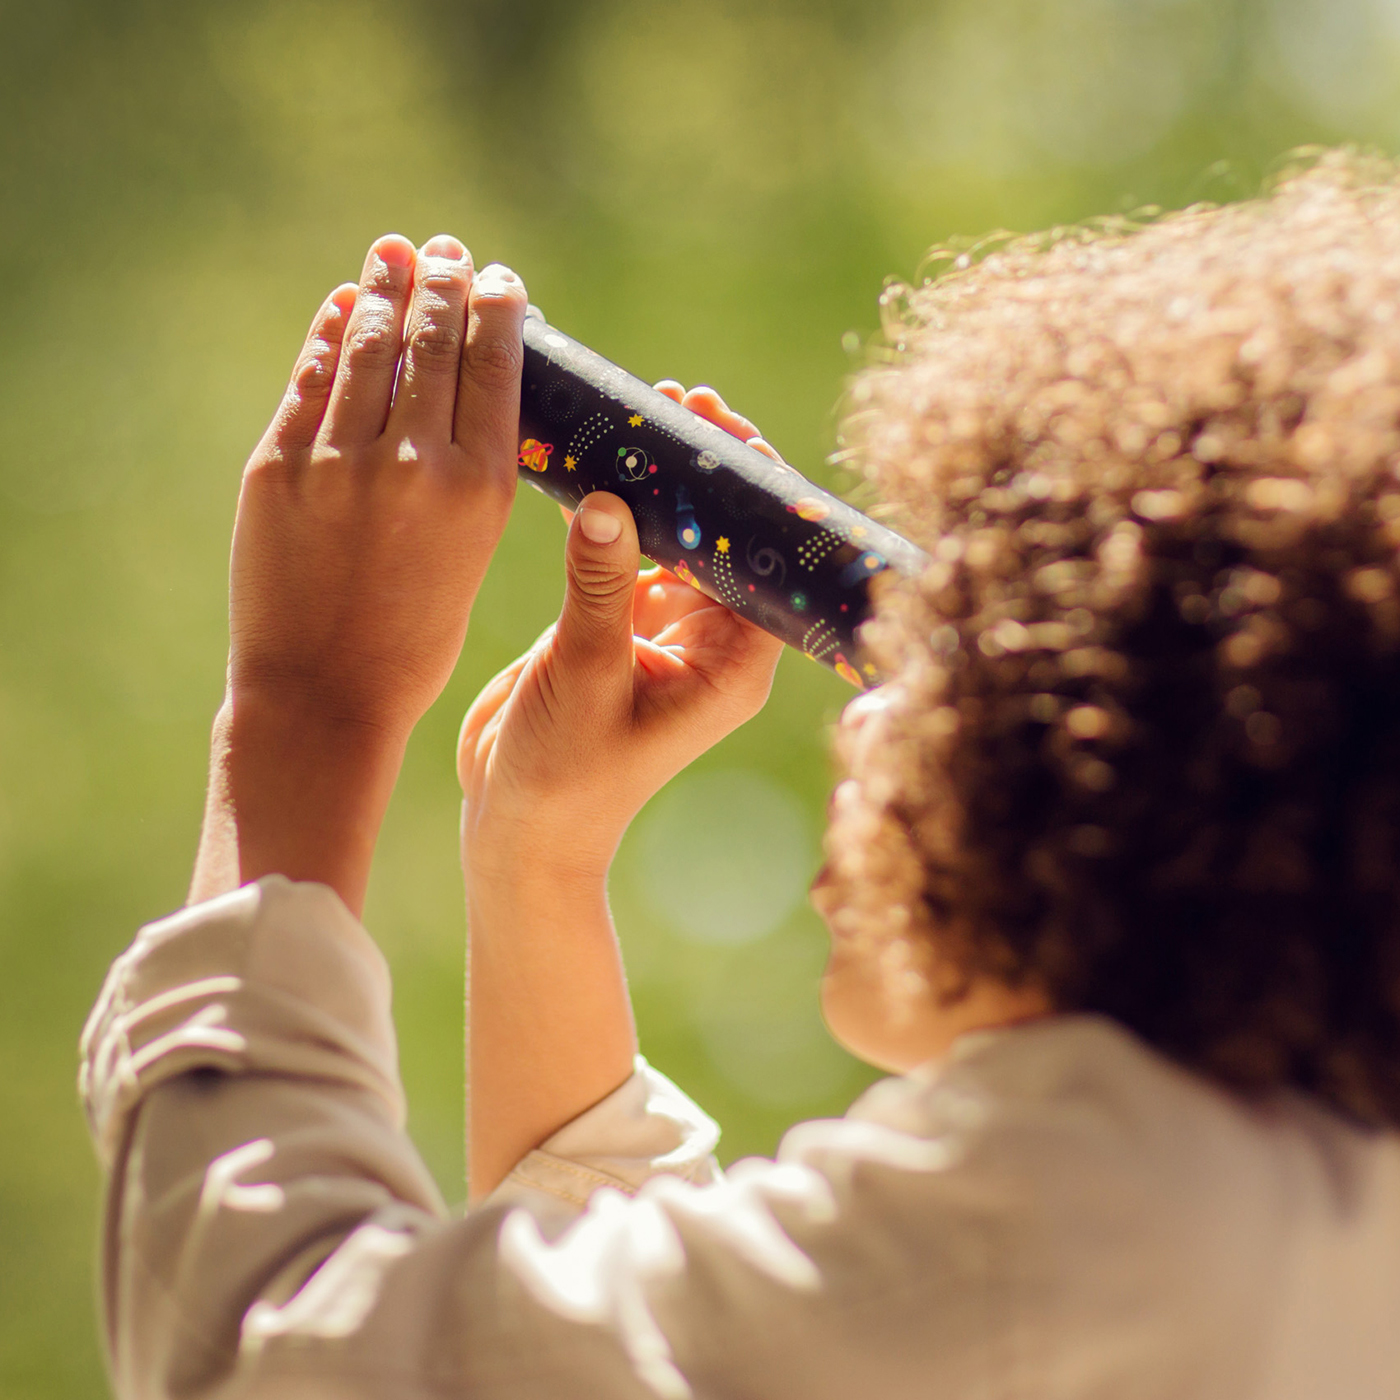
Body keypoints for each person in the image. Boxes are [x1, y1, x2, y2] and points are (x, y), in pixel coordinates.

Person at [82, 154, 1400, 1400]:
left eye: (959, 667)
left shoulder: (1101, 1206)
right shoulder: (1307, 1191)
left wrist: (306, 705)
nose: (864, 721)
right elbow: (647, 1341)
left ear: (1143, 761)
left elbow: (276, 1356)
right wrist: (536, 857)